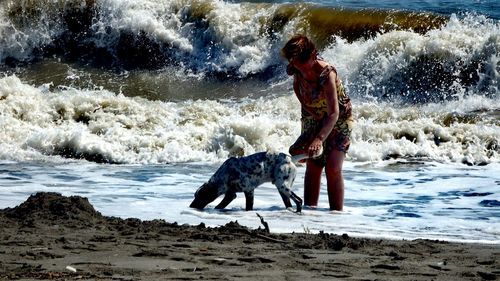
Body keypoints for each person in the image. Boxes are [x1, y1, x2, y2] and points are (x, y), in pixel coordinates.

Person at [281, 34, 353, 211]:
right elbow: (297, 87)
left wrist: (319, 138)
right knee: (314, 165)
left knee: (333, 167)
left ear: (313, 55)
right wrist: (308, 108)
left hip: (338, 118)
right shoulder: (296, 65)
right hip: (312, 115)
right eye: (298, 67)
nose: (303, 71)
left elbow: (334, 113)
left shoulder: (326, 73)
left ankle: (336, 214)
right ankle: (310, 213)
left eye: (305, 67)